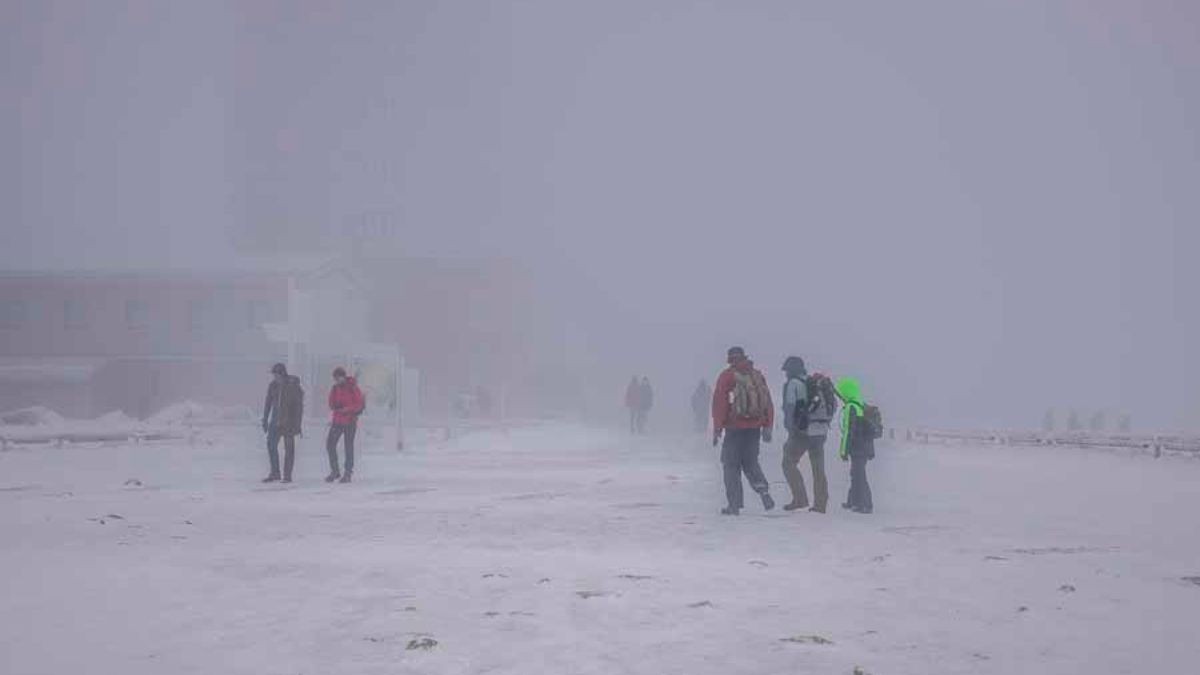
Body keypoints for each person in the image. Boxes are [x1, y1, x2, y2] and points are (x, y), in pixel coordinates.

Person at [711, 346, 776, 515]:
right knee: (751, 462)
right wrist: (768, 425)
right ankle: (763, 490)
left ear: (730, 359)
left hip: (734, 429)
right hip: (754, 428)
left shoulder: (727, 376)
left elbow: (720, 403)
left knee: (730, 466)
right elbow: (767, 401)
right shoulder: (756, 375)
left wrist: (717, 428)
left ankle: (734, 504)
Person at [835, 377, 874, 513]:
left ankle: (866, 504)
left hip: (858, 447)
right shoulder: (859, 405)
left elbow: (848, 431)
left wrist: (843, 451)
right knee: (856, 473)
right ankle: (854, 501)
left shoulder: (851, 407)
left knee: (859, 475)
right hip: (864, 446)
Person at [261, 363, 304, 483]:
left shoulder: (293, 386)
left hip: (289, 422)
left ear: (282, 374)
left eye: (276, 374)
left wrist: (298, 424)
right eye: (273, 375)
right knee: (271, 445)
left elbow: (299, 407)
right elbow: (268, 403)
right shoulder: (273, 386)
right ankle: (275, 472)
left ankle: (287, 475)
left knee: (289, 449)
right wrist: (265, 419)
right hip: (275, 422)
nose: (275, 377)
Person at [779, 356, 811, 511]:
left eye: (787, 370)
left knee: (787, 463)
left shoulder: (793, 384)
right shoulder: (809, 382)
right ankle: (818, 501)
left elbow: (790, 407)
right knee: (817, 467)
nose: (785, 374)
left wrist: (791, 428)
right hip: (815, 430)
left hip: (799, 431)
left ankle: (800, 499)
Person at [326, 367, 365, 483]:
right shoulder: (335, 388)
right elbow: (331, 403)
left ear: (343, 377)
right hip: (337, 420)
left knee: (348, 447)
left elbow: (359, 404)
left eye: (338, 378)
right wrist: (336, 406)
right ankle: (335, 471)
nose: (337, 380)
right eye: (335, 378)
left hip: (350, 421)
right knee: (330, 444)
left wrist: (347, 409)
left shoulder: (353, 388)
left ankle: (348, 472)